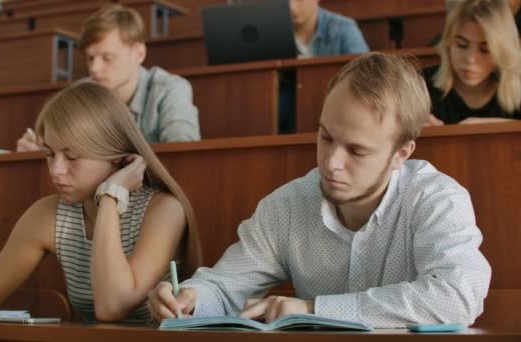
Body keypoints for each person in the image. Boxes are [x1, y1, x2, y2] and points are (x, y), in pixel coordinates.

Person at [148, 52, 491, 328]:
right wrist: (189, 298)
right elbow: (224, 286)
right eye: (326, 137)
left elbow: (458, 296)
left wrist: (314, 309)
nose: (331, 163)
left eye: (356, 151)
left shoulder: (437, 199)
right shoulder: (287, 206)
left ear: (401, 153)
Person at [0, 82, 202, 323]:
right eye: (50, 154)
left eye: (72, 157)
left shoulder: (164, 210)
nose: (56, 170)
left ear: (118, 156)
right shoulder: (48, 215)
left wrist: (110, 197)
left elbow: (112, 306)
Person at [17, 4, 200, 151]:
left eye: (107, 58)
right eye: (90, 58)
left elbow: (183, 156)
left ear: (139, 53)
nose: (95, 68)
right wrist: (41, 151)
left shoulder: (171, 89)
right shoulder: (81, 93)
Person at [423, 0, 521, 125]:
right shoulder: (421, 85)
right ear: (448, 43)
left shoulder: (518, 87)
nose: (471, 59)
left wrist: (489, 126)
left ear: (501, 52)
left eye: (485, 50)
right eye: (462, 45)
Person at [290, 0, 369, 57]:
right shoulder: (278, 33)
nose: (292, 7)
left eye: (299, 0)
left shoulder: (344, 28)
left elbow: (365, 73)